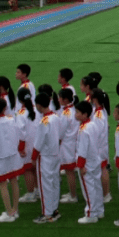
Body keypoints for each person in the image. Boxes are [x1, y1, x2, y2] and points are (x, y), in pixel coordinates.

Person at [0, 99, 22, 223]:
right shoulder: (11, 120)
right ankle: (14, 210)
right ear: (5, 108)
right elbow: (18, 135)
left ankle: (10, 212)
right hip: (13, 155)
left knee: (2, 185)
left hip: (0, 157)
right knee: (13, 181)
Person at [31, 93, 62, 224]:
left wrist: (33, 158)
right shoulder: (56, 116)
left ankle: (47, 213)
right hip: (56, 154)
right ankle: (54, 210)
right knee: (54, 182)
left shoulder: (43, 122)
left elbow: (38, 143)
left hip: (45, 156)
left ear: (38, 105)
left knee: (45, 185)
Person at [74, 101, 104, 224]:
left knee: (88, 188)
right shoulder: (92, 125)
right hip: (95, 159)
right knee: (97, 186)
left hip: (87, 162)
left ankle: (91, 213)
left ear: (85, 114)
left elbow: (82, 149)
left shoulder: (83, 129)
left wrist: (81, 165)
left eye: (77, 112)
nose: (75, 114)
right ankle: (99, 210)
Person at [57, 88, 81, 205]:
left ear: (65, 99)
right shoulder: (73, 109)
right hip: (73, 142)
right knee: (70, 170)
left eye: (59, 97)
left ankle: (73, 195)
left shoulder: (66, 113)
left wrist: (57, 141)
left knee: (69, 170)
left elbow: (61, 132)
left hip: (67, 144)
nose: (58, 99)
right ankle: (72, 193)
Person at [15, 89, 39, 203]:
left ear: (19, 100)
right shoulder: (37, 109)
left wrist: (21, 148)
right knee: (35, 168)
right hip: (37, 143)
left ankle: (30, 194)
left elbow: (21, 132)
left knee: (28, 170)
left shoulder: (21, 113)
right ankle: (38, 191)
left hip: (27, 145)